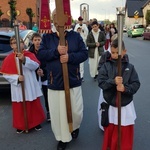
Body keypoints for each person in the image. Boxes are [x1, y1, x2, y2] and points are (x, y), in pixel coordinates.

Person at [37, 10, 88, 150]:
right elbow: (41, 54)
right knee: (59, 114)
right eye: (56, 17)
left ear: (66, 19)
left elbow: (84, 54)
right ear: (53, 19)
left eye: (62, 17)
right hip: (55, 82)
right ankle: (63, 138)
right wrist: (56, 52)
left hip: (73, 80)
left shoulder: (75, 36)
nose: (58, 19)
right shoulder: (47, 37)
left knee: (77, 111)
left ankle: (75, 126)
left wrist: (69, 57)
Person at [98, 38, 140, 150]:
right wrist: (113, 81)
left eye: (118, 53)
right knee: (112, 130)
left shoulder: (130, 68)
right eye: (113, 52)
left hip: (125, 105)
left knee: (124, 130)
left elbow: (136, 84)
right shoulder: (106, 66)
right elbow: (101, 82)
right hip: (111, 104)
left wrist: (125, 89)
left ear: (124, 51)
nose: (115, 55)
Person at [0, 36, 45, 134]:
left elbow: (35, 65)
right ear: (11, 45)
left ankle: (36, 122)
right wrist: (16, 78)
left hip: (29, 83)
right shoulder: (8, 58)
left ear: (23, 44)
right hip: (18, 87)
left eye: (19, 42)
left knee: (33, 103)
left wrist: (24, 60)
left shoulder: (29, 54)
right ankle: (21, 125)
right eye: (14, 43)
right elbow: (6, 75)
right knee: (19, 106)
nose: (17, 44)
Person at [28, 32, 50, 122]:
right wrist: (36, 70)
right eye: (35, 40)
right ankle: (36, 114)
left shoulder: (45, 50)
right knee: (35, 96)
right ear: (32, 41)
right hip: (34, 77)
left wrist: (44, 71)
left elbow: (49, 63)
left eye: (39, 40)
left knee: (47, 95)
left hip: (45, 76)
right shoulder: (29, 52)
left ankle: (49, 111)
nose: (37, 42)